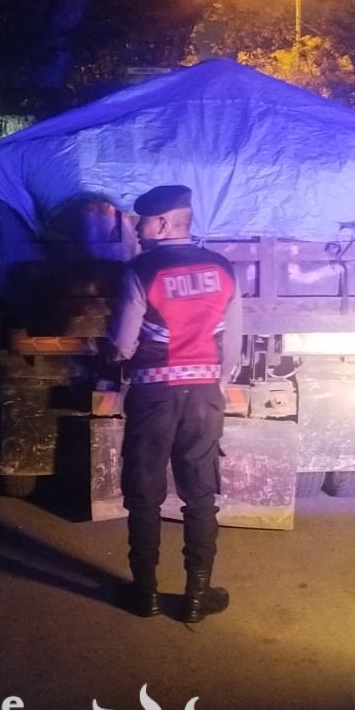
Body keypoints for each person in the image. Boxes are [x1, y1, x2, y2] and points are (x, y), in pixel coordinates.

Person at [107, 184, 242, 623]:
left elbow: (123, 344)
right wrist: (215, 380)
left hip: (153, 397)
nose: (136, 228)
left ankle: (145, 593)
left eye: (142, 221)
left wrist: (115, 357)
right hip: (204, 396)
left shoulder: (141, 270)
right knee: (200, 496)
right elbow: (233, 344)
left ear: (163, 223)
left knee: (144, 495)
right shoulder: (222, 268)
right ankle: (197, 597)